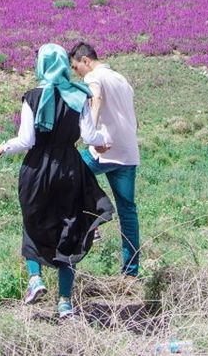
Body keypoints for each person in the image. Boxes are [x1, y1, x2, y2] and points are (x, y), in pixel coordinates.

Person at [0, 43, 114, 319]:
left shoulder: (33, 96)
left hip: (37, 169)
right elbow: (89, 135)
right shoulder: (78, 94)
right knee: (70, 230)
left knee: (32, 221)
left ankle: (35, 280)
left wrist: (4, 146)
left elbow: (26, 140)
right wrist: (104, 143)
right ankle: (64, 303)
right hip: (70, 169)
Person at [68, 41, 141, 278]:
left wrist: (89, 132)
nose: (75, 72)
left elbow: (95, 99)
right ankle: (130, 273)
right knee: (128, 211)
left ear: (86, 60)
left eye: (75, 67)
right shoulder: (122, 80)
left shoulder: (94, 77)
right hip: (128, 151)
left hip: (103, 148)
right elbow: (134, 119)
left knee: (69, 174)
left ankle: (94, 220)